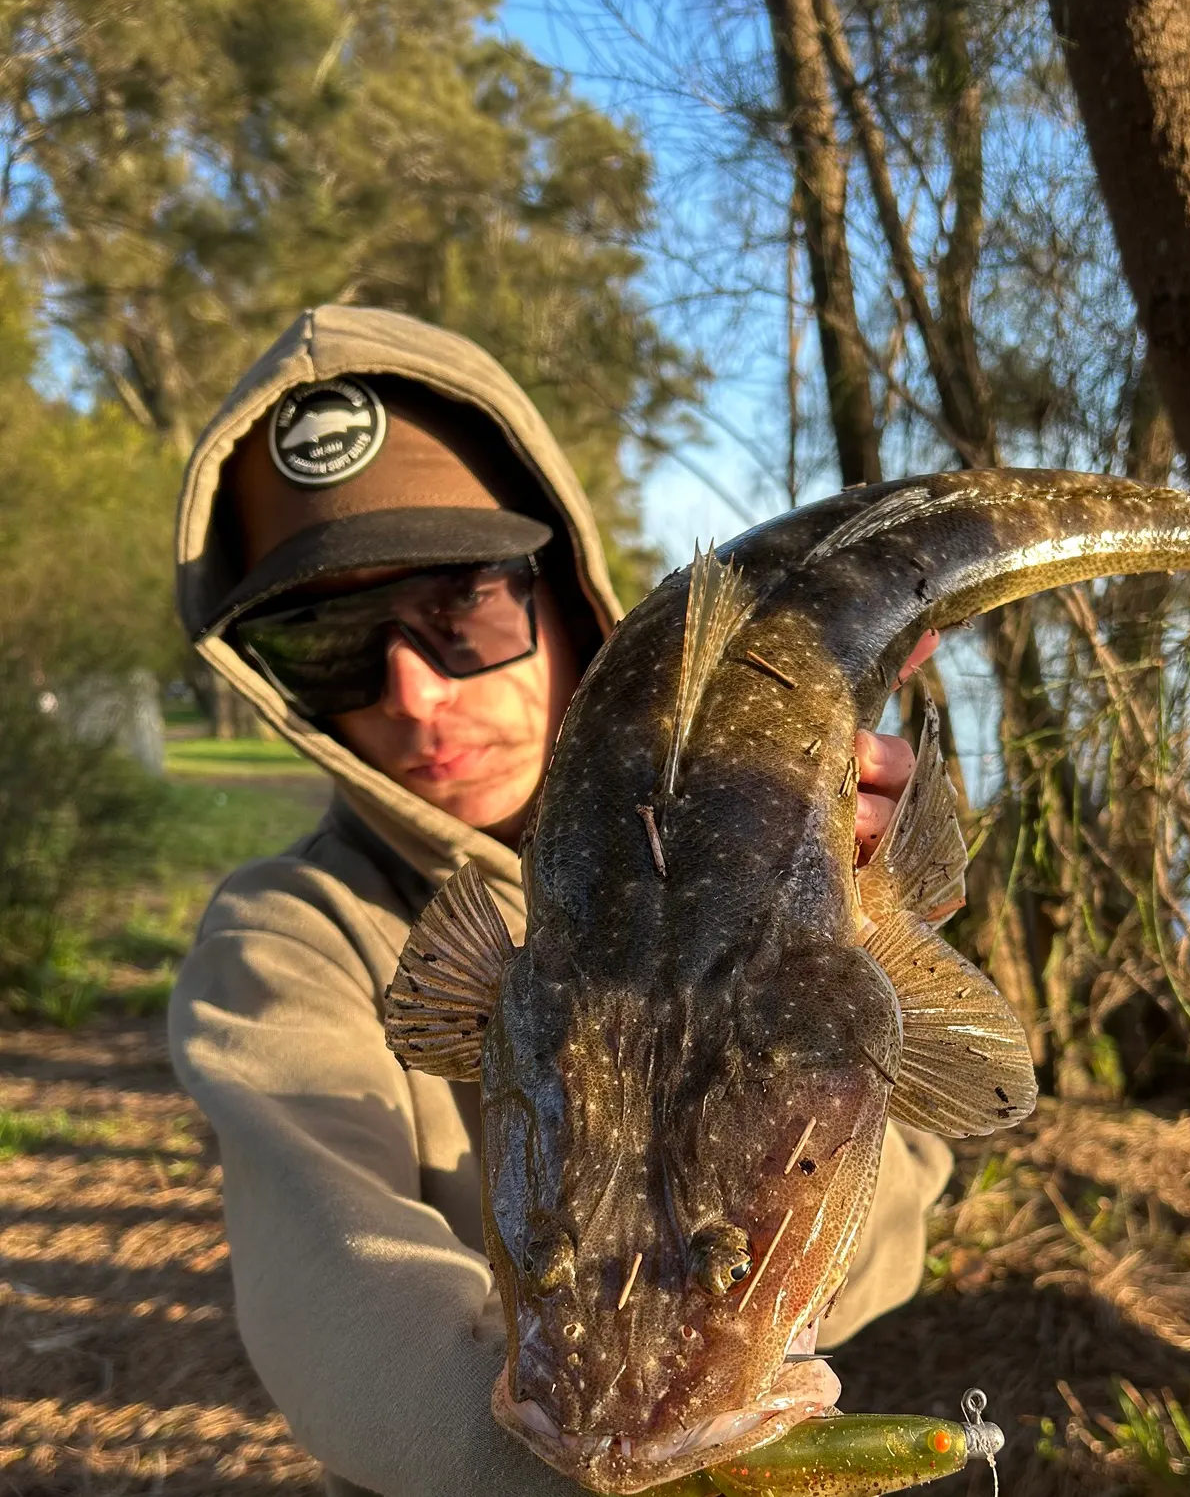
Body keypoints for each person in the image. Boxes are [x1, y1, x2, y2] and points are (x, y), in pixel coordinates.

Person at [168, 305, 954, 1497]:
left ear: (567, 597)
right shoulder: (289, 934)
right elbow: (323, 1282)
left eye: (462, 607)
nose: (415, 691)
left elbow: (894, 1245)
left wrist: (867, 946)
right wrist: (579, 1454)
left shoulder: (789, 861)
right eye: (325, 642)